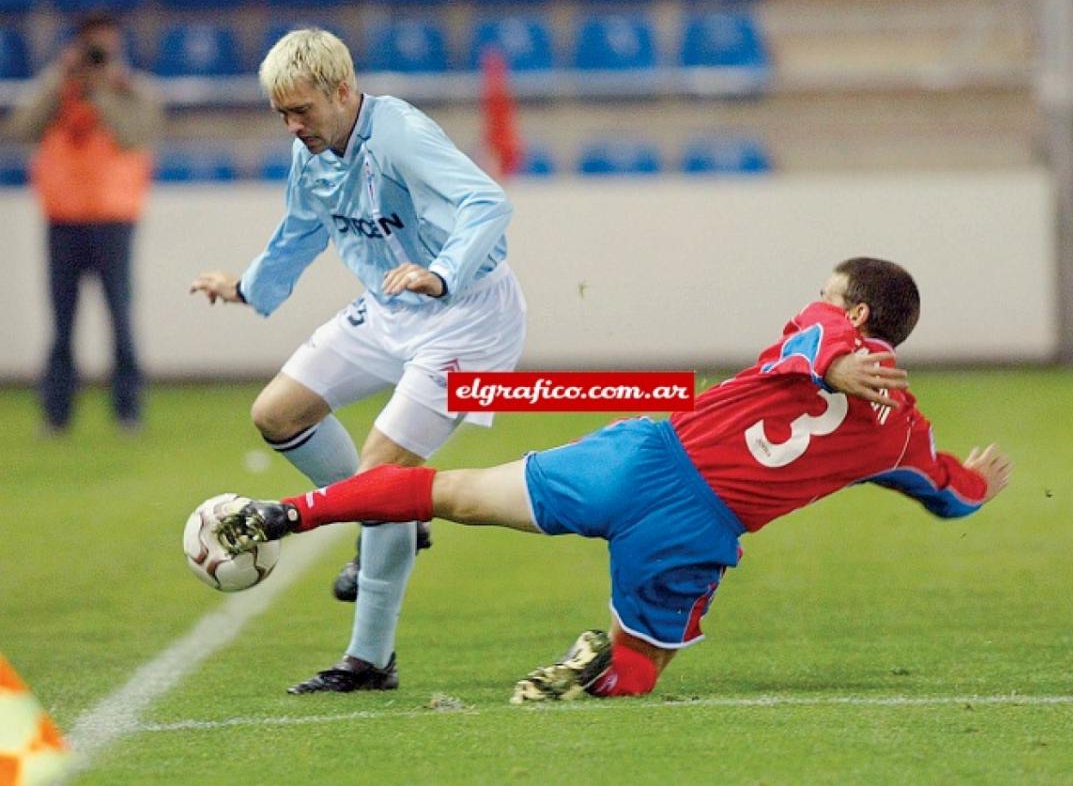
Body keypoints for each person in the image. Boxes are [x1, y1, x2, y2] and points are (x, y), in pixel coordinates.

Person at [214, 257, 1013, 702]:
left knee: (446, 492)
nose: (816, 299)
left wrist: (834, 358)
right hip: (695, 531)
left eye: (829, 290)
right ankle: (601, 656)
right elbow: (947, 493)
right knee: (640, 673)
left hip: (639, 460)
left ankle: (289, 511)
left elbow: (817, 339)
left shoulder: (823, 329)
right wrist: (975, 483)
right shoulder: (904, 429)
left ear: (861, 316)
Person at [190, 29, 526, 694]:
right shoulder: (309, 153)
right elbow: (299, 229)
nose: (292, 125)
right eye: (281, 113)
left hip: (468, 315)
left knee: (378, 475)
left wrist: (441, 272)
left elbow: (489, 202)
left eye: (301, 110)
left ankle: (369, 660)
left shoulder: (398, 132)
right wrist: (250, 287)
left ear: (342, 90)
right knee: (277, 413)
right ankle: (394, 509)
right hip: (389, 307)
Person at [6, 13, 163, 433]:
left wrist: (103, 91)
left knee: (120, 318)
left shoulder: (130, 91)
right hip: (64, 219)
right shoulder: (59, 89)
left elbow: (136, 134)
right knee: (61, 323)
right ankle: (56, 415)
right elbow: (21, 128)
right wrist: (61, 80)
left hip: (113, 219)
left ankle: (127, 412)